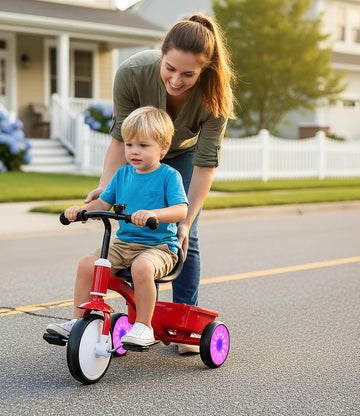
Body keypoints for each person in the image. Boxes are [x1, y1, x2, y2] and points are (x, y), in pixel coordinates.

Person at [85, 13, 236, 345]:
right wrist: (105, 188)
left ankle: (185, 321)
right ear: (161, 53)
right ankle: (141, 317)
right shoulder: (132, 73)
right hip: (138, 149)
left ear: (205, 70)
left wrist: (186, 221)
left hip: (184, 154)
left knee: (186, 235)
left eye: (188, 74)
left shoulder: (216, 97)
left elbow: (206, 164)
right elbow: (119, 140)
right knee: (132, 227)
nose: (176, 80)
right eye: (169, 68)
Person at [47, 106, 188, 347]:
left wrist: (153, 213)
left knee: (142, 267)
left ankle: (144, 326)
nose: (134, 151)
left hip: (160, 247)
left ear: (163, 148)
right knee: (87, 264)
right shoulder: (122, 175)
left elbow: (181, 210)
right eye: (129, 144)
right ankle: (79, 321)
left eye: (143, 146)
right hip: (124, 245)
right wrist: (79, 212)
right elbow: (103, 202)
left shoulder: (168, 176)